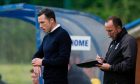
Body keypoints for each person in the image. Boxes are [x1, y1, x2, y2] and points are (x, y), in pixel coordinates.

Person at [32, 8, 72, 84]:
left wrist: (42, 62)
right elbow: (37, 55)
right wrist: (36, 64)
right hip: (47, 80)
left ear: (51, 20)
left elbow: (64, 60)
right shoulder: (47, 37)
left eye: (42, 22)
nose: (40, 26)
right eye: (39, 23)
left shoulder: (63, 35)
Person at [96, 16, 137, 84]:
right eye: (107, 31)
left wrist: (110, 67)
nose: (108, 35)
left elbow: (128, 65)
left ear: (118, 28)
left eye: (110, 31)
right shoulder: (113, 42)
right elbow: (111, 63)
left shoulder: (128, 41)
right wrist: (102, 62)